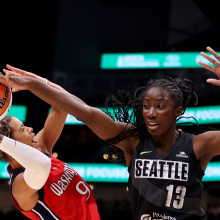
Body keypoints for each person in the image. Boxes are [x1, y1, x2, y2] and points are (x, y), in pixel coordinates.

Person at [0, 46, 219, 220]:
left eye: (160, 106)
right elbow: (84, 111)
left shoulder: (199, 144)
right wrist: (34, 84)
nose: (151, 113)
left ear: (178, 112)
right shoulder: (133, 141)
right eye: (146, 106)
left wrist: (38, 83)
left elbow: (61, 107)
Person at [0, 66, 100, 220]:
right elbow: (41, 166)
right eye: (22, 128)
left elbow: (62, 105)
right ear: (11, 144)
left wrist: (34, 81)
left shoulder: (40, 146)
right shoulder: (19, 186)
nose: (30, 129)